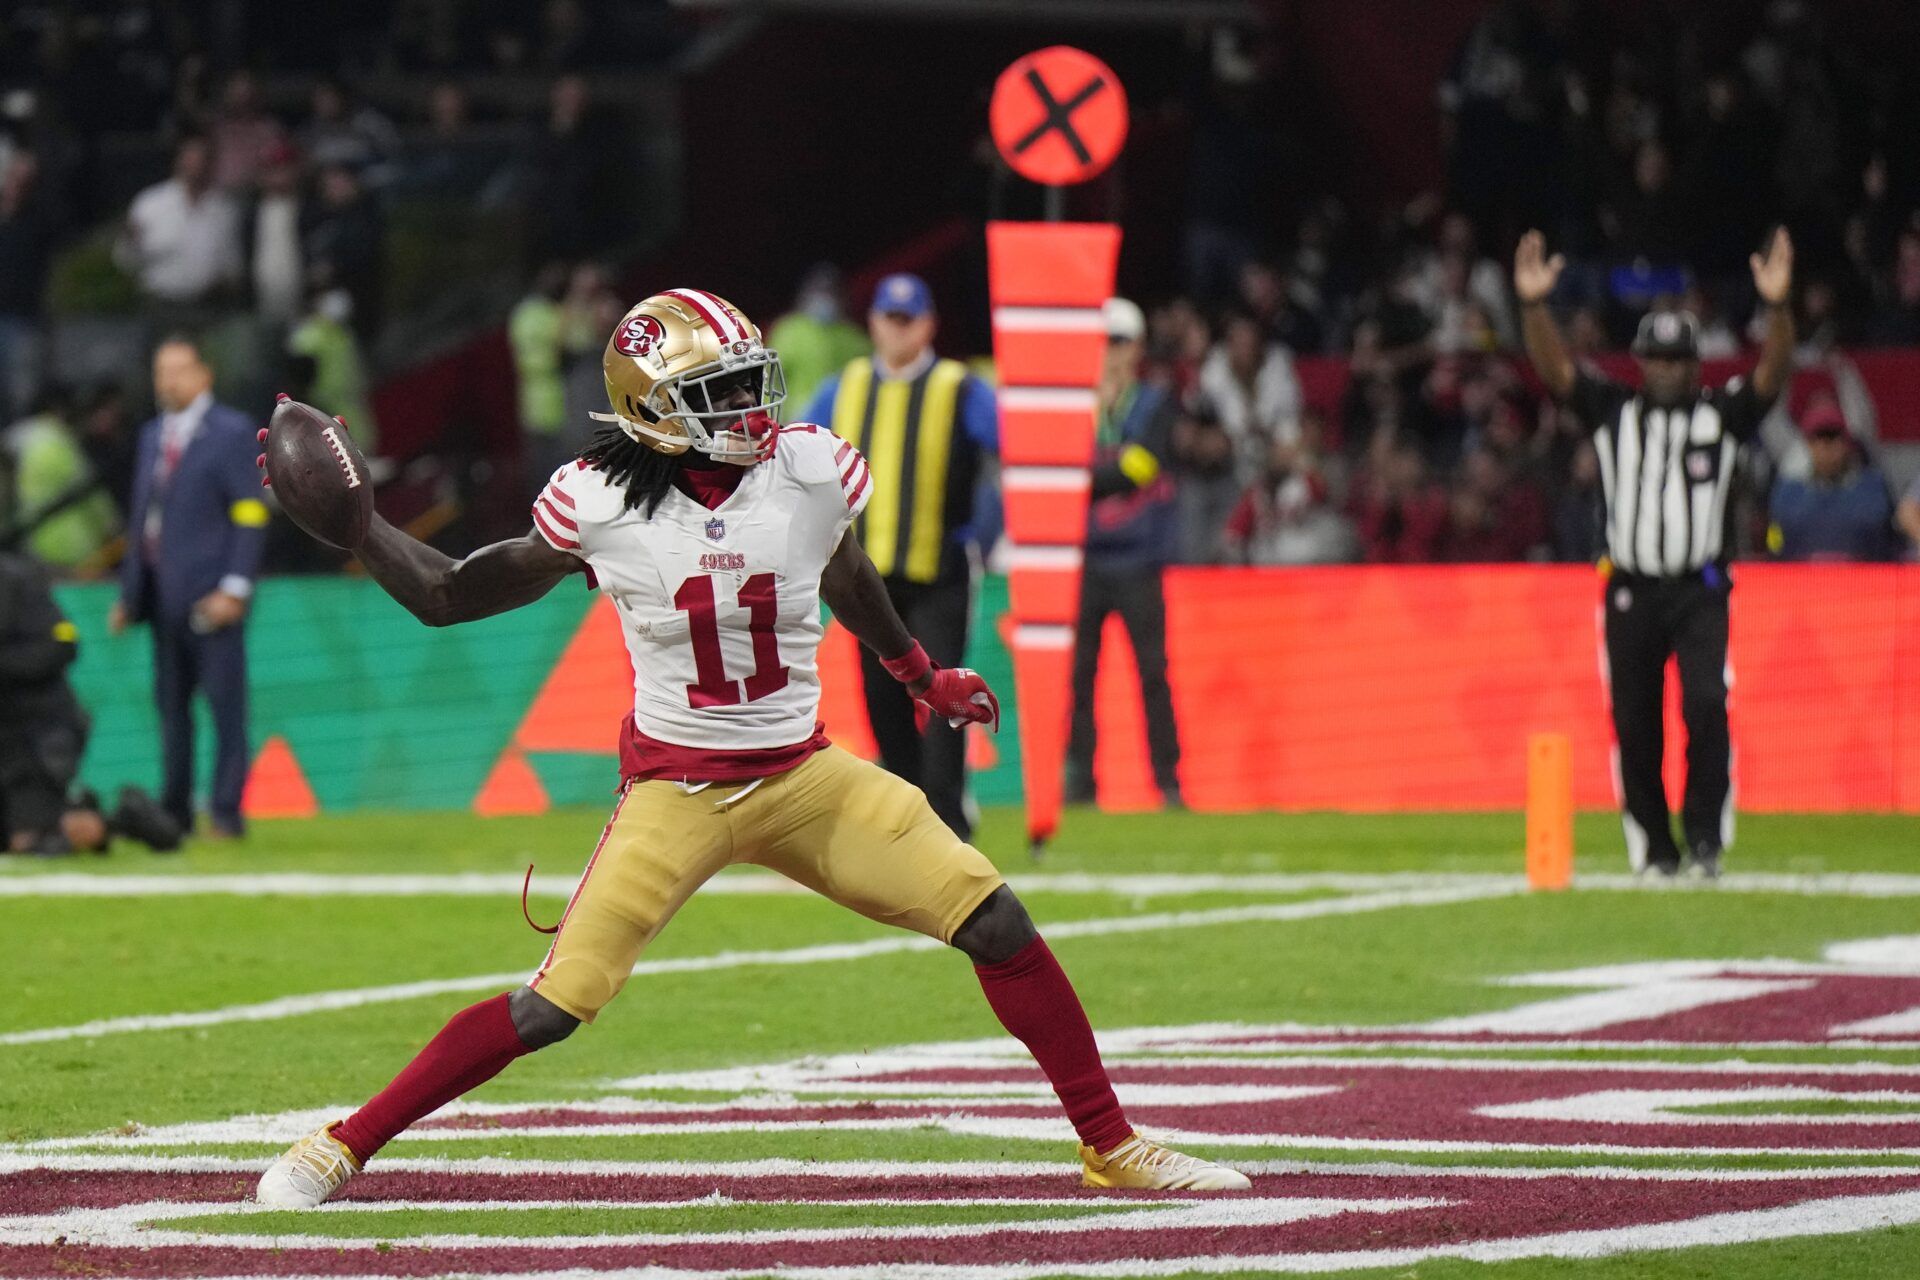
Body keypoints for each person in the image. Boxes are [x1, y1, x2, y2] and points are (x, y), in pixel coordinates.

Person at [255, 287, 1248, 1207]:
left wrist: (917, 673)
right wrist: (365, 528)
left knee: (994, 916)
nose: (749, 406)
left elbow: (847, 571)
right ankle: (343, 1140)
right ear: (654, 411)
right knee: (552, 1006)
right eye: (718, 391)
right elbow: (447, 595)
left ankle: (1110, 1143)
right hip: (677, 790)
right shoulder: (596, 499)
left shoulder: (811, 468)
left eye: (748, 379)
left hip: (806, 773)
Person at [1515, 227, 1796, 879]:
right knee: (1635, 723)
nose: (1667, 370)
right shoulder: (1614, 411)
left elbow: (1772, 375)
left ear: (1695, 365)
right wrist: (1534, 308)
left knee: (1705, 705)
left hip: (1699, 590)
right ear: (1640, 363)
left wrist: (1778, 309)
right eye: (1656, 360)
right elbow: (1557, 372)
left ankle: (1704, 841)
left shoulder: (1721, 415)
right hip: (1630, 587)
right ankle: (1654, 850)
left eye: (1677, 361)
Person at [801, 274, 999, 840]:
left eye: (908, 319)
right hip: (867, 577)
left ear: (929, 325)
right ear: (873, 323)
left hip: (939, 571)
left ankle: (949, 822)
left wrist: (986, 531)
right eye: (889, 317)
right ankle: (911, 819)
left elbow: (1011, 449)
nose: (897, 328)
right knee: (881, 700)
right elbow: (793, 447)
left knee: (943, 696)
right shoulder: (847, 386)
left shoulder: (960, 387)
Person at [109, 338, 268, 838]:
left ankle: (225, 812)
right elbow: (144, 518)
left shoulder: (231, 431)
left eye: (178, 370)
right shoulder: (153, 435)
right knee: (171, 714)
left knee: (225, 709)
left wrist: (236, 588)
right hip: (161, 597)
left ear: (205, 375)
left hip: (210, 595)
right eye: (161, 372)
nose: (168, 381)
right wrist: (131, 594)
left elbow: (250, 511)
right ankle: (174, 813)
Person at [1065, 299, 1183, 809]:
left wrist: (1080, 481)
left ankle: (1169, 782)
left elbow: (1142, 465)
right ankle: (1081, 787)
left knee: (1153, 673)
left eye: (1116, 342)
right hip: (1086, 560)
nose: (1107, 353)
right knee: (1079, 677)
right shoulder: (1077, 404)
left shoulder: (1153, 401)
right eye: (1100, 342)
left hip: (1137, 560)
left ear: (1135, 347)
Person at [0, 550, 183, 856]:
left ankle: (116, 821)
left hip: (39, 737)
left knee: (30, 843)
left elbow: (61, 647)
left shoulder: (19, 582)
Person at [116, 136, 242, 316]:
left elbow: (232, 262)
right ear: (178, 161)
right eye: (191, 159)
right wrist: (130, 241)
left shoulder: (223, 207)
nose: (197, 166)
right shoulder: (150, 203)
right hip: (159, 305)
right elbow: (125, 261)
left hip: (209, 307)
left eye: (203, 160)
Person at [1767, 399, 1897, 562]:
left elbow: (1892, 544)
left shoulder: (1874, 489)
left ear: (1846, 443)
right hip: (1801, 583)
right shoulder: (1786, 495)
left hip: (1864, 582)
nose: (1826, 447)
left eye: (1833, 436)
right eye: (1818, 437)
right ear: (1808, 444)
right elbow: (1774, 546)